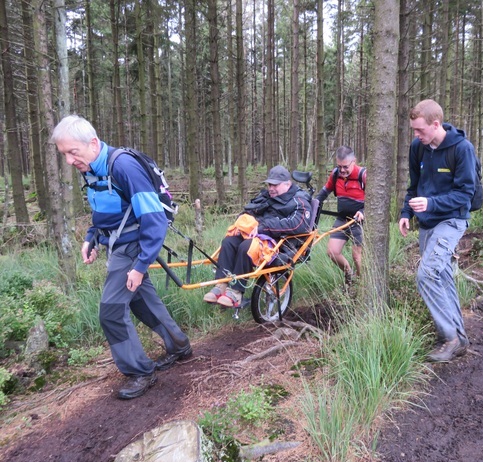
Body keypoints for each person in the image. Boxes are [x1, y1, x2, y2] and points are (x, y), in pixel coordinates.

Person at [51, 115, 192, 400]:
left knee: (111, 311)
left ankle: (140, 371)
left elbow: (154, 220)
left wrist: (140, 265)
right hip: (116, 242)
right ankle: (179, 346)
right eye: (63, 154)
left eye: (72, 153)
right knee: (140, 299)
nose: (68, 161)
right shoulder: (91, 167)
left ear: (92, 143)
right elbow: (104, 207)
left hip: (132, 245)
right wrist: (91, 236)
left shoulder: (123, 166)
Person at [398, 99, 475, 363]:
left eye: (420, 130)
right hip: (427, 223)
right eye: (414, 131)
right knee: (441, 277)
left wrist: (431, 203)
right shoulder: (418, 148)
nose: (416, 135)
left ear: (436, 124)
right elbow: (414, 185)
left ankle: (449, 338)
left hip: (452, 221)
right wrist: (406, 213)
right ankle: (460, 339)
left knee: (427, 274)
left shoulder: (462, 149)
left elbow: (466, 194)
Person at [203, 166, 313, 307]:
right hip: (257, 235)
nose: (271, 188)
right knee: (229, 242)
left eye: (275, 185)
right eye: (269, 184)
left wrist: (263, 227)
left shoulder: (299, 200)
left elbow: (299, 224)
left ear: (287, 184)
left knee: (246, 247)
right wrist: (242, 224)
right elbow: (249, 211)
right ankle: (221, 284)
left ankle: (236, 292)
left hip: (280, 243)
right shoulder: (266, 195)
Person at [315, 146, 365, 285]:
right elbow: (324, 192)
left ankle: (362, 286)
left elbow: (375, 200)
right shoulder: (336, 174)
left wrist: (363, 212)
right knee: (332, 252)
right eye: (339, 166)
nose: (342, 170)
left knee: (357, 256)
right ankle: (349, 274)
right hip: (342, 219)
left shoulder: (363, 175)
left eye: (345, 167)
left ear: (353, 161)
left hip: (359, 222)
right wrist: (314, 204)